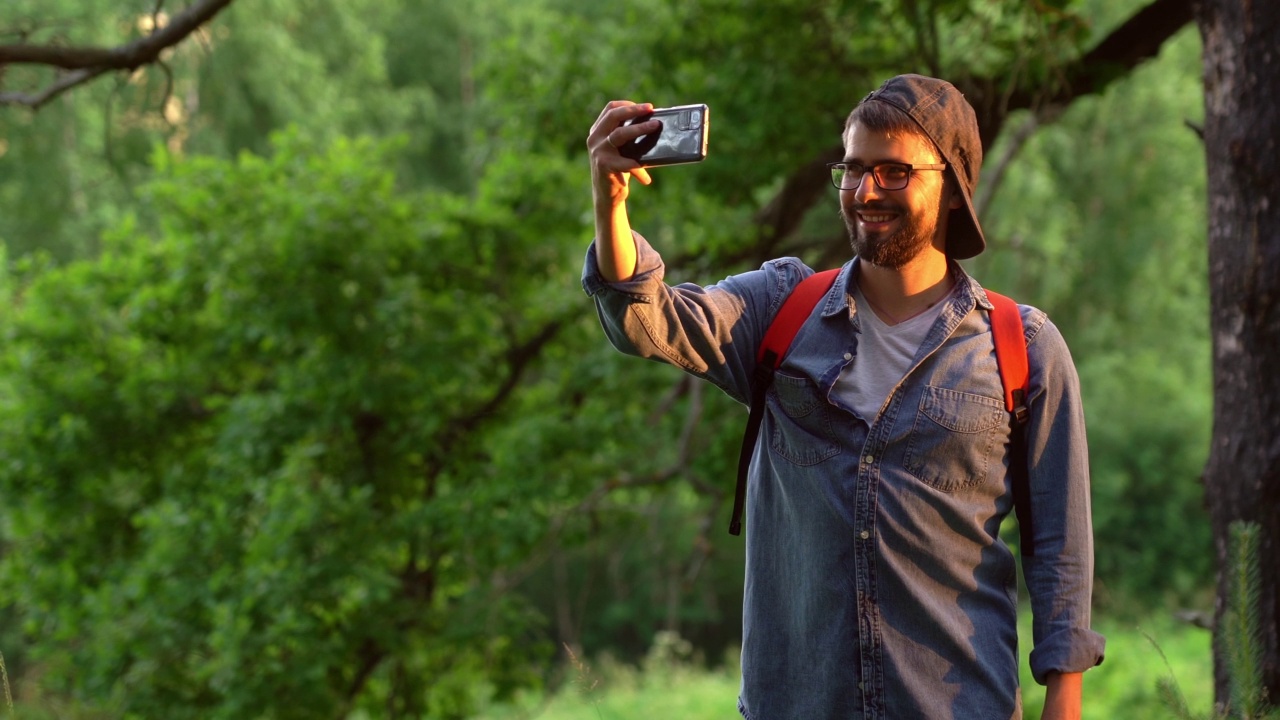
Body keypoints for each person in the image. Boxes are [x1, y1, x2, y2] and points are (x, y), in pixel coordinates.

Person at [581, 74, 1105, 720]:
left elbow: (1061, 548)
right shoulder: (780, 307)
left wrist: (1065, 702)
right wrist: (611, 207)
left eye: (893, 171)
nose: (866, 192)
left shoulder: (1021, 347)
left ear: (952, 187)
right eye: (853, 170)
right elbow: (649, 322)